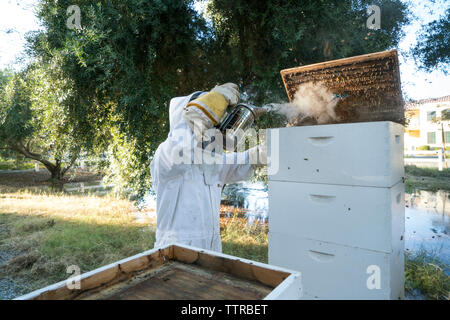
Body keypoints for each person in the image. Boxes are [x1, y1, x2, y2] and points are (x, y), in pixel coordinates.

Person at [150, 83, 266, 252]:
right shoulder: (166, 157)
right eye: (208, 119)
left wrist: (288, 138)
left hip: (211, 250)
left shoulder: (212, 162)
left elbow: (247, 159)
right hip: (175, 252)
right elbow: (181, 145)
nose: (210, 128)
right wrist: (209, 103)